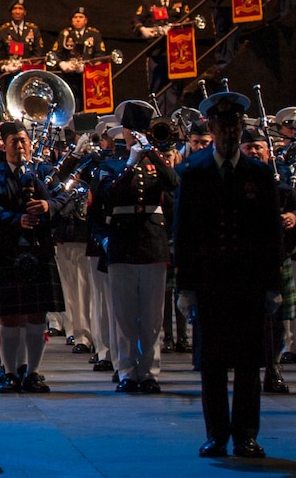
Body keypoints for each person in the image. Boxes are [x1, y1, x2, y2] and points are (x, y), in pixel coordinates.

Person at [175, 91, 285, 458]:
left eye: (234, 126)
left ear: (241, 128)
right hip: (210, 283)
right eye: (222, 126)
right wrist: (185, 285)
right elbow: (185, 234)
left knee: (249, 365)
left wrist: (273, 285)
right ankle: (217, 435)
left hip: (248, 283)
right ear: (211, 127)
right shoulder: (193, 171)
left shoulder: (258, 173)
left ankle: (246, 435)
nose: (228, 133)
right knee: (213, 365)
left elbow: (272, 233)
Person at [97, 99, 180, 394]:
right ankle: (126, 370)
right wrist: (131, 163)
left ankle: (149, 371)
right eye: (136, 130)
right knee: (124, 315)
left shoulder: (158, 162)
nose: (141, 135)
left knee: (152, 316)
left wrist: (154, 155)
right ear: (126, 132)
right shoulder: (112, 163)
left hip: (153, 245)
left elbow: (174, 184)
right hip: (123, 243)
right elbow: (110, 196)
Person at [0, 121, 62, 394]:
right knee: (9, 316)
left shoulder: (43, 173)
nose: (20, 146)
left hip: (38, 251)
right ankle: (10, 372)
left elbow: (64, 199)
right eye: (14, 141)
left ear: (30, 143)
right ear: (4, 144)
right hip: (6, 250)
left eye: (23, 140)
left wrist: (48, 205)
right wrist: (16, 220)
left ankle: (33, 372)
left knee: (37, 315)